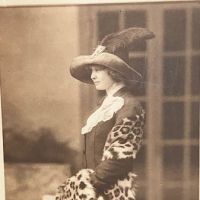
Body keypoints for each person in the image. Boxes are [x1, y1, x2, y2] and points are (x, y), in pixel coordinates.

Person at [55, 27, 155, 200]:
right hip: (94, 191)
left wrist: (82, 186)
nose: (93, 76)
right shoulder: (105, 105)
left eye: (98, 70)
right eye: (91, 70)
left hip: (110, 192)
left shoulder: (129, 105)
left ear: (114, 71)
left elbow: (119, 159)